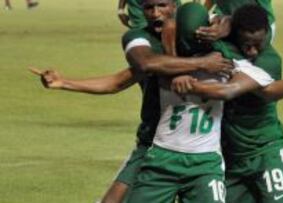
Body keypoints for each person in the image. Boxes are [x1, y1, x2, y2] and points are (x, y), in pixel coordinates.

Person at [30, 1, 233, 203]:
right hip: (155, 143)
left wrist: (224, 25)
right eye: (148, 7)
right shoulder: (140, 39)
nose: (155, 13)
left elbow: (237, 23)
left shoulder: (202, 34)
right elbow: (130, 73)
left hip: (202, 147)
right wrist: (64, 82)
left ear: (175, 5)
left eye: (162, 5)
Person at [171, 4, 283, 203]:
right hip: (231, 156)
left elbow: (232, 91)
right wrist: (222, 22)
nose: (252, 51)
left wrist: (191, 86)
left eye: (257, 44)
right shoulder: (224, 46)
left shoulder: (269, 60)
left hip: (266, 151)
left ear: (268, 34)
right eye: (246, 44)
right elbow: (191, 21)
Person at [117, 0, 181, 29]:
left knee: (174, 30)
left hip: (167, 3)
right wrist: (120, 10)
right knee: (142, 32)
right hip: (138, 6)